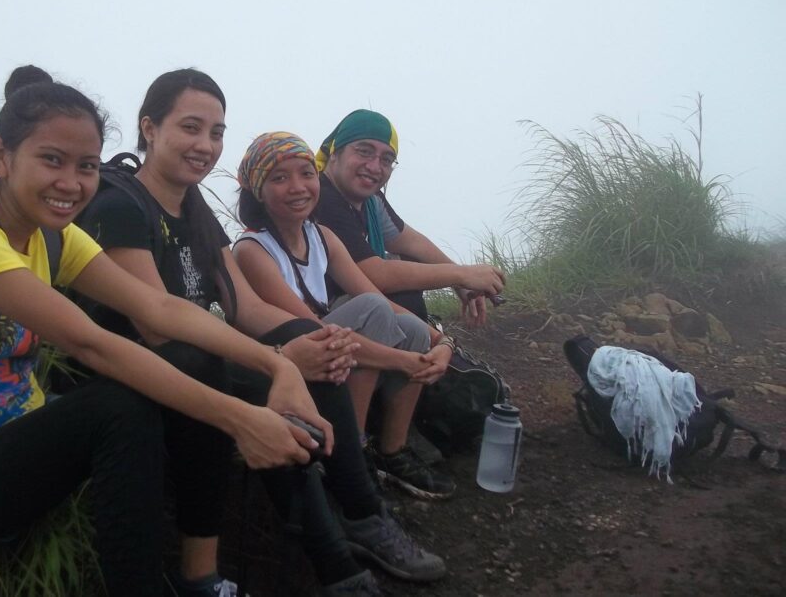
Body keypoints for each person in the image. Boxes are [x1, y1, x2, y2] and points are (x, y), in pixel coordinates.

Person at [0, 65, 332, 597]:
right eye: (52, 160)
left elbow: (160, 308)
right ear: (2, 157)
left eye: (86, 166)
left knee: (149, 391)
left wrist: (276, 365)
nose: (72, 183)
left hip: (13, 448)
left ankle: (198, 581)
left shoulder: (55, 239)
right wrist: (243, 419)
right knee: (120, 405)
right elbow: (93, 344)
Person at [78, 69, 448, 595]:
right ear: (150, 128)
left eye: (216, 132)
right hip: (154, 370)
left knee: (313, 342)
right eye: (191, 127)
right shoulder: (123, 207)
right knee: (273, 381)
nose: (205, 145)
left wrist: (310, 342)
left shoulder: (196, 207)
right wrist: (276, 360)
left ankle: (362, 515)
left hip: (209, 353)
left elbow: (246, 308)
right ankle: (335, 561)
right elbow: (156, 326)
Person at [233, 131, 457, 500]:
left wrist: (438, 341)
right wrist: (405, 361)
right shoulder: (252, 250)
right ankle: (350, 454)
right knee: (372, 312)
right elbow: (313, 330)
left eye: (306, 173)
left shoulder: (320, 235)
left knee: (410, 327)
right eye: (279, 177)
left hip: (331, 349)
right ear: (258, 189)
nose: (298, 187)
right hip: (289, 360)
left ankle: (392, 451)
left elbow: (372, 291)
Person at [313, 109, 506, 325]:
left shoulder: (370, 201)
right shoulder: (322, 196)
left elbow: (411, 242)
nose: (375, 167)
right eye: (364, 152)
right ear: (334, 154)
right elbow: (375, 275)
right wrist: (461, 274)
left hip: (345, 305)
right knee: (402, 297)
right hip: (313, 315)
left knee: (411, 266)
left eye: (387, 159)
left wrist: (462, 285)